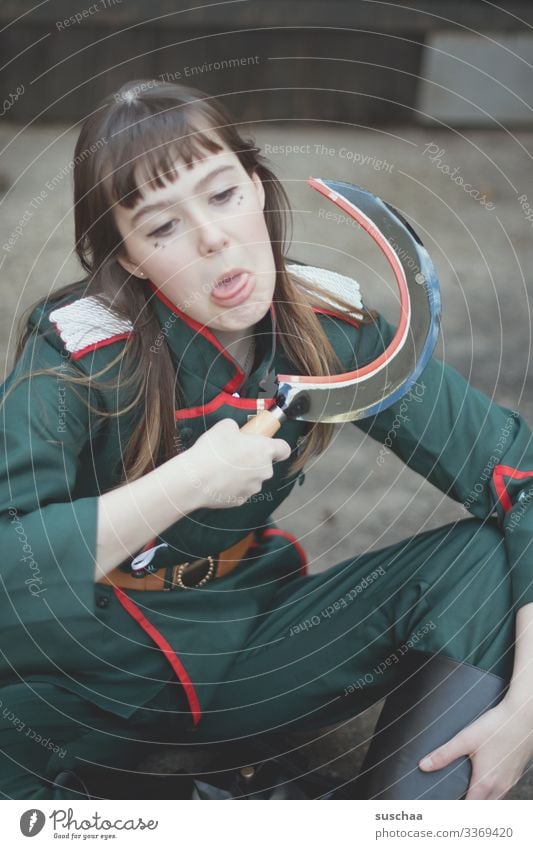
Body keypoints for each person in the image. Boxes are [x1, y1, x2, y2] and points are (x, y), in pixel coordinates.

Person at [1, 78, 532, 801]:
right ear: (126, 257)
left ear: (256, 185)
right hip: (85, 661)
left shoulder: (328, 326)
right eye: (161, 226)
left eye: (222, 194)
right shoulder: (76, 353)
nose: (212, 237)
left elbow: (518, 475)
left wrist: (523, 711)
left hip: (252, 644)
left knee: (479, 561)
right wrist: (189, 480)